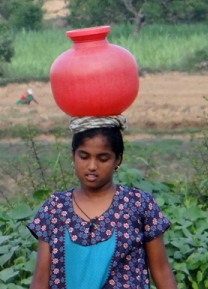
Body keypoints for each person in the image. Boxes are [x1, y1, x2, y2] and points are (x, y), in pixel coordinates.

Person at [27, 116, 177, 289]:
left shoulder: (139, 204)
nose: (92, 166)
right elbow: (41, 278)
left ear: (117, 159)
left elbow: (162, 271)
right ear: (73, 155)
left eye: (102, 158)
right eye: (84, 157)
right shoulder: (54, 208)